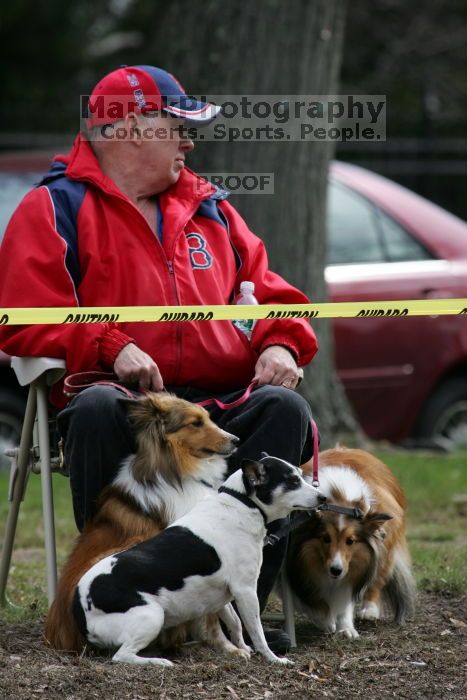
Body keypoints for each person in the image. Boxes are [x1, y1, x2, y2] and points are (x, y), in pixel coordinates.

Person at [0, 65, 318, 653]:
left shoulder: (214, 210)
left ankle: (238, 609)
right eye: (176, 124)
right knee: (96, 406)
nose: (188, 141)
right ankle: (118, 601)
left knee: (284, 405)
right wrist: (109, 344)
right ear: (130, 130)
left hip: (222, 402)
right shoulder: (51, 208)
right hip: (124, 402)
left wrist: (280, 339)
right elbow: (21, 321)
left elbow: (271, 294)